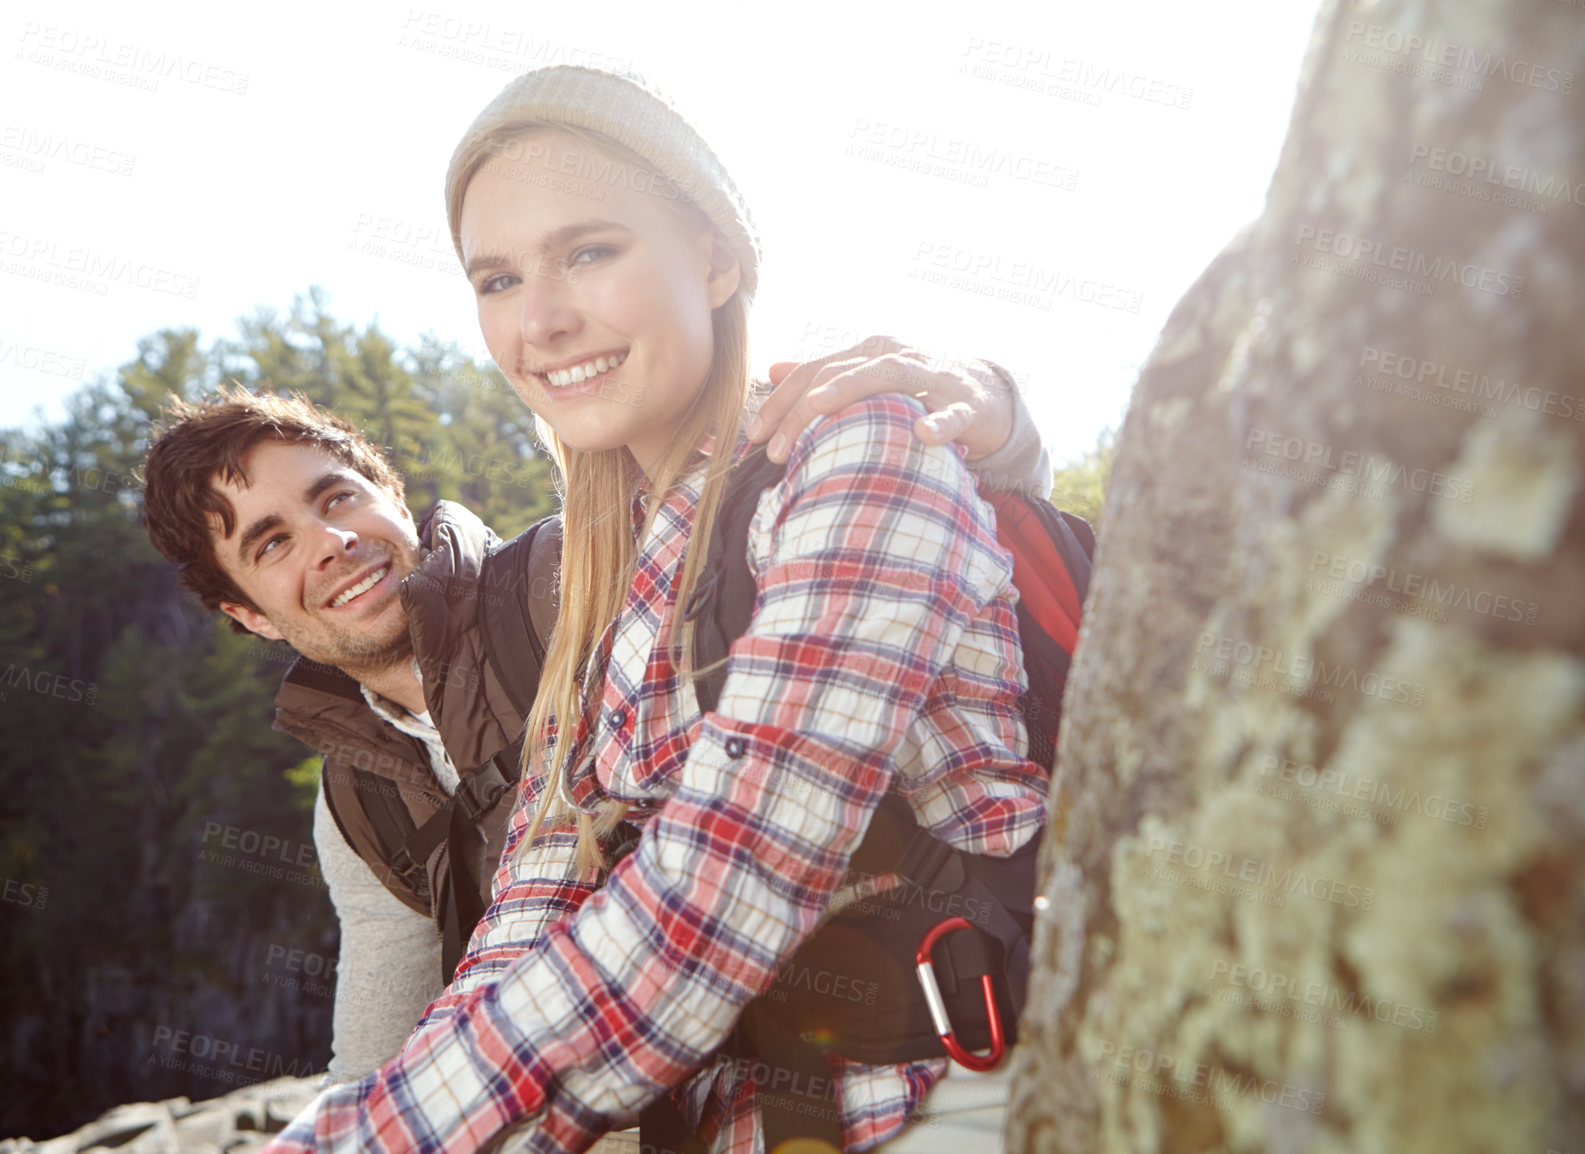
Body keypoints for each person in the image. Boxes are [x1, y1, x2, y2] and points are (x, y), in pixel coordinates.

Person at [266, 64, 1047, 1154]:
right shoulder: (599, 584)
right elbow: (527, 916)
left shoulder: (856, 453)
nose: (539, 319)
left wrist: (372, 1142)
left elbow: (719, 889)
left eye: (589, 251)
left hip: (967, 1100)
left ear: (716, 258)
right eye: (496, 279)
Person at [140, 344, 1049, 1081]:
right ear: (249, 615)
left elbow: (929, 498)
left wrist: (990, 401)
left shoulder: (576, 574)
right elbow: (378, 1050)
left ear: (393, 498)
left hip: (895, 1038)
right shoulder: (357, 802)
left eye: (335, 496)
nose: (331, 544)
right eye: (272, 543)